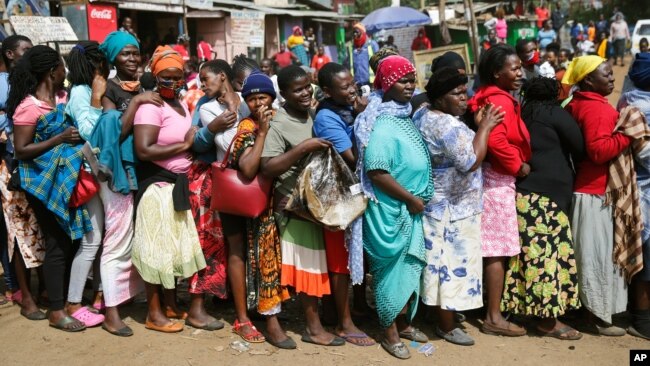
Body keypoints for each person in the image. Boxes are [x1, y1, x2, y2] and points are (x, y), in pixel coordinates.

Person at [413, 67, 504, 346]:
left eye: (465, 92)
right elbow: (469, 161)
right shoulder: (446, 125)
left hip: (439, 205)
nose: (464, 98)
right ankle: (447, 325)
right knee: (451, 269)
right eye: (456, 94)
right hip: (454, 209)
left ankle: (438, 317)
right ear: (440, 98)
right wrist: (486, 127)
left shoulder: (424, 114)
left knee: (438, 266)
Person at [260, 66, 343, 347]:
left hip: (316, 203)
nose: (306, 92)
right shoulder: (277, 123)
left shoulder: (312, 113)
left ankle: (321, 320)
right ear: (283, 94)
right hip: (293, 205)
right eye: (298, 89)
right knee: (308, 265)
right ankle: (313, 327)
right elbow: (268, 167)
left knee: (315, 262)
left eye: (308, 86)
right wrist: (302, 148)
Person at [9, 45, 89, 332]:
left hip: (63, 183)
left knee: (69, 242)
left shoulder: (60, 101)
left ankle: (62, 300)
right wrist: (60, 139)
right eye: (61, 66)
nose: (64, 71)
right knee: (56, 244)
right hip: (41, 184)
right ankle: (56, 310)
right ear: (50, 71)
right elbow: (21, 149)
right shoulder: (28, 107)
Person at [361, 55, 433, 359]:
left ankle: (403, 322)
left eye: (411, 79)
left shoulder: (403, 115)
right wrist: (410, 198)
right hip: (391, 211)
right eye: (403, 80)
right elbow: (377, 170)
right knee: (390, 270)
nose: (409, 85)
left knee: (408, 269)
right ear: (388, 84)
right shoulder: (381, 123)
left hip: (409, 210)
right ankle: (388, 330)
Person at [501, 76, 584, 340]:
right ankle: (548, 322)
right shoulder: (553, 113)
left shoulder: (521, 113)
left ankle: (527, 311)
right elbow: (580, 146)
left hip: (525, 194)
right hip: (548, 198)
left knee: (529, 258)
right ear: (554, 93)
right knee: (549, 259)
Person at [132, 45, 205, 333]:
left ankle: (171, 304)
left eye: (179, 77)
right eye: (166, 78)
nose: (174, 83)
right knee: (156, 251)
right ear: (155, 76)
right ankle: (154, 313)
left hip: (175, 186)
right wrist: (185, 145)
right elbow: (144, 149)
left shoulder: (178, 103)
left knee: (171, 248)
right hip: (156, 184)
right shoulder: (150, 107)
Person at [226, 70, 295, 348]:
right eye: (252, 99)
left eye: (262, 97)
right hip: (252, 204)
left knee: (274, 259)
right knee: (254, 258)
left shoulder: (282, 119)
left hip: (280, 202)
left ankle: (266, 311)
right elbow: (248, 167)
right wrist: (263, 133)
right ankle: (260, 320)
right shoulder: (246, 127)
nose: (258, 103)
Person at [562, 55, 629, 336]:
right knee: (595, 257)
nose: (613, 79)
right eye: (607, 74)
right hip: (594, 190)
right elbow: (599, 151)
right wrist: (628, 135)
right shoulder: (596, 109)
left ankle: (590, 312)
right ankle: (597, 317)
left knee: (587, 255)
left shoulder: (577, 103)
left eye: (613, 74)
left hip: (583, 188)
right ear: (588, 80)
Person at [468, 44, 530, 337]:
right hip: (497, 182)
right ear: (497, 73)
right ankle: (493, 316)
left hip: (491, 179)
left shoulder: (491, 98)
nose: (520, 73)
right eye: (514, 68)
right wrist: (519, 166)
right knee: (497, 250)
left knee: (494, 249)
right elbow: (496, 143)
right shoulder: (499, 103)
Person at [313, 62, 374, 347]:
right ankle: (343, 323)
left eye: (352, 84)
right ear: (327, 91)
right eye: (344, 87)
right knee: (340, 261)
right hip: (338, 195)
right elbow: (352, 157)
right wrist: (361, 119)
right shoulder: (326, 117)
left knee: (356, 256)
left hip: (355, 191)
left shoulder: (349, 107)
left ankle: (357, 308)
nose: (352, 90)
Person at [98, 31, 155, 335]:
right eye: (125, 54)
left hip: (139, 173)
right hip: (118, 175)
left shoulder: (144, 85)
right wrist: (137, 103)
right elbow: (113, 134)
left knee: (131, 239)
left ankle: (123, 297)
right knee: (115, 243)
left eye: (135, 53)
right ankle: (111, 313)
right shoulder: (109, 90)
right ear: (114, 59)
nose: (132, 59)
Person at [63, 41, 108, 328]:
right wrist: (96, 100)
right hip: (87, 175)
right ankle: (73, 302)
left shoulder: (84, 90)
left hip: (96, 174)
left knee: (99, 239)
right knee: (92, 241)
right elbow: (88, 133)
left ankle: (95, 295)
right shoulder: (81, 93)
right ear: (94, 66)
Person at [0, 34, 45, 319]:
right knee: (19, 231)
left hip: (32, 163)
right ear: (9, 54)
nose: (28, 55)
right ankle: (24, 295)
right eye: (24, 50)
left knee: (35, 228)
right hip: (11, 163)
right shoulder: (4, 85)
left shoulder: (28, 84)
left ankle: (35, 291)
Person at [617, 52, 650, 340]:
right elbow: (645, 155)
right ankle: (641, 320)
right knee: (646, 254)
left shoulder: (632, 99)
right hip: (643, 190)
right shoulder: (639, 106)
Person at [348, 23, 379, 87]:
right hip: (357, 81)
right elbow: (350, 64)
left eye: (357, 32)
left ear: (362, 32)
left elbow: (378, 61)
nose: (355, 34)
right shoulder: (352, 46)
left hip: (371, 81)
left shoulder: (372, 44)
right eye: (353, 32)